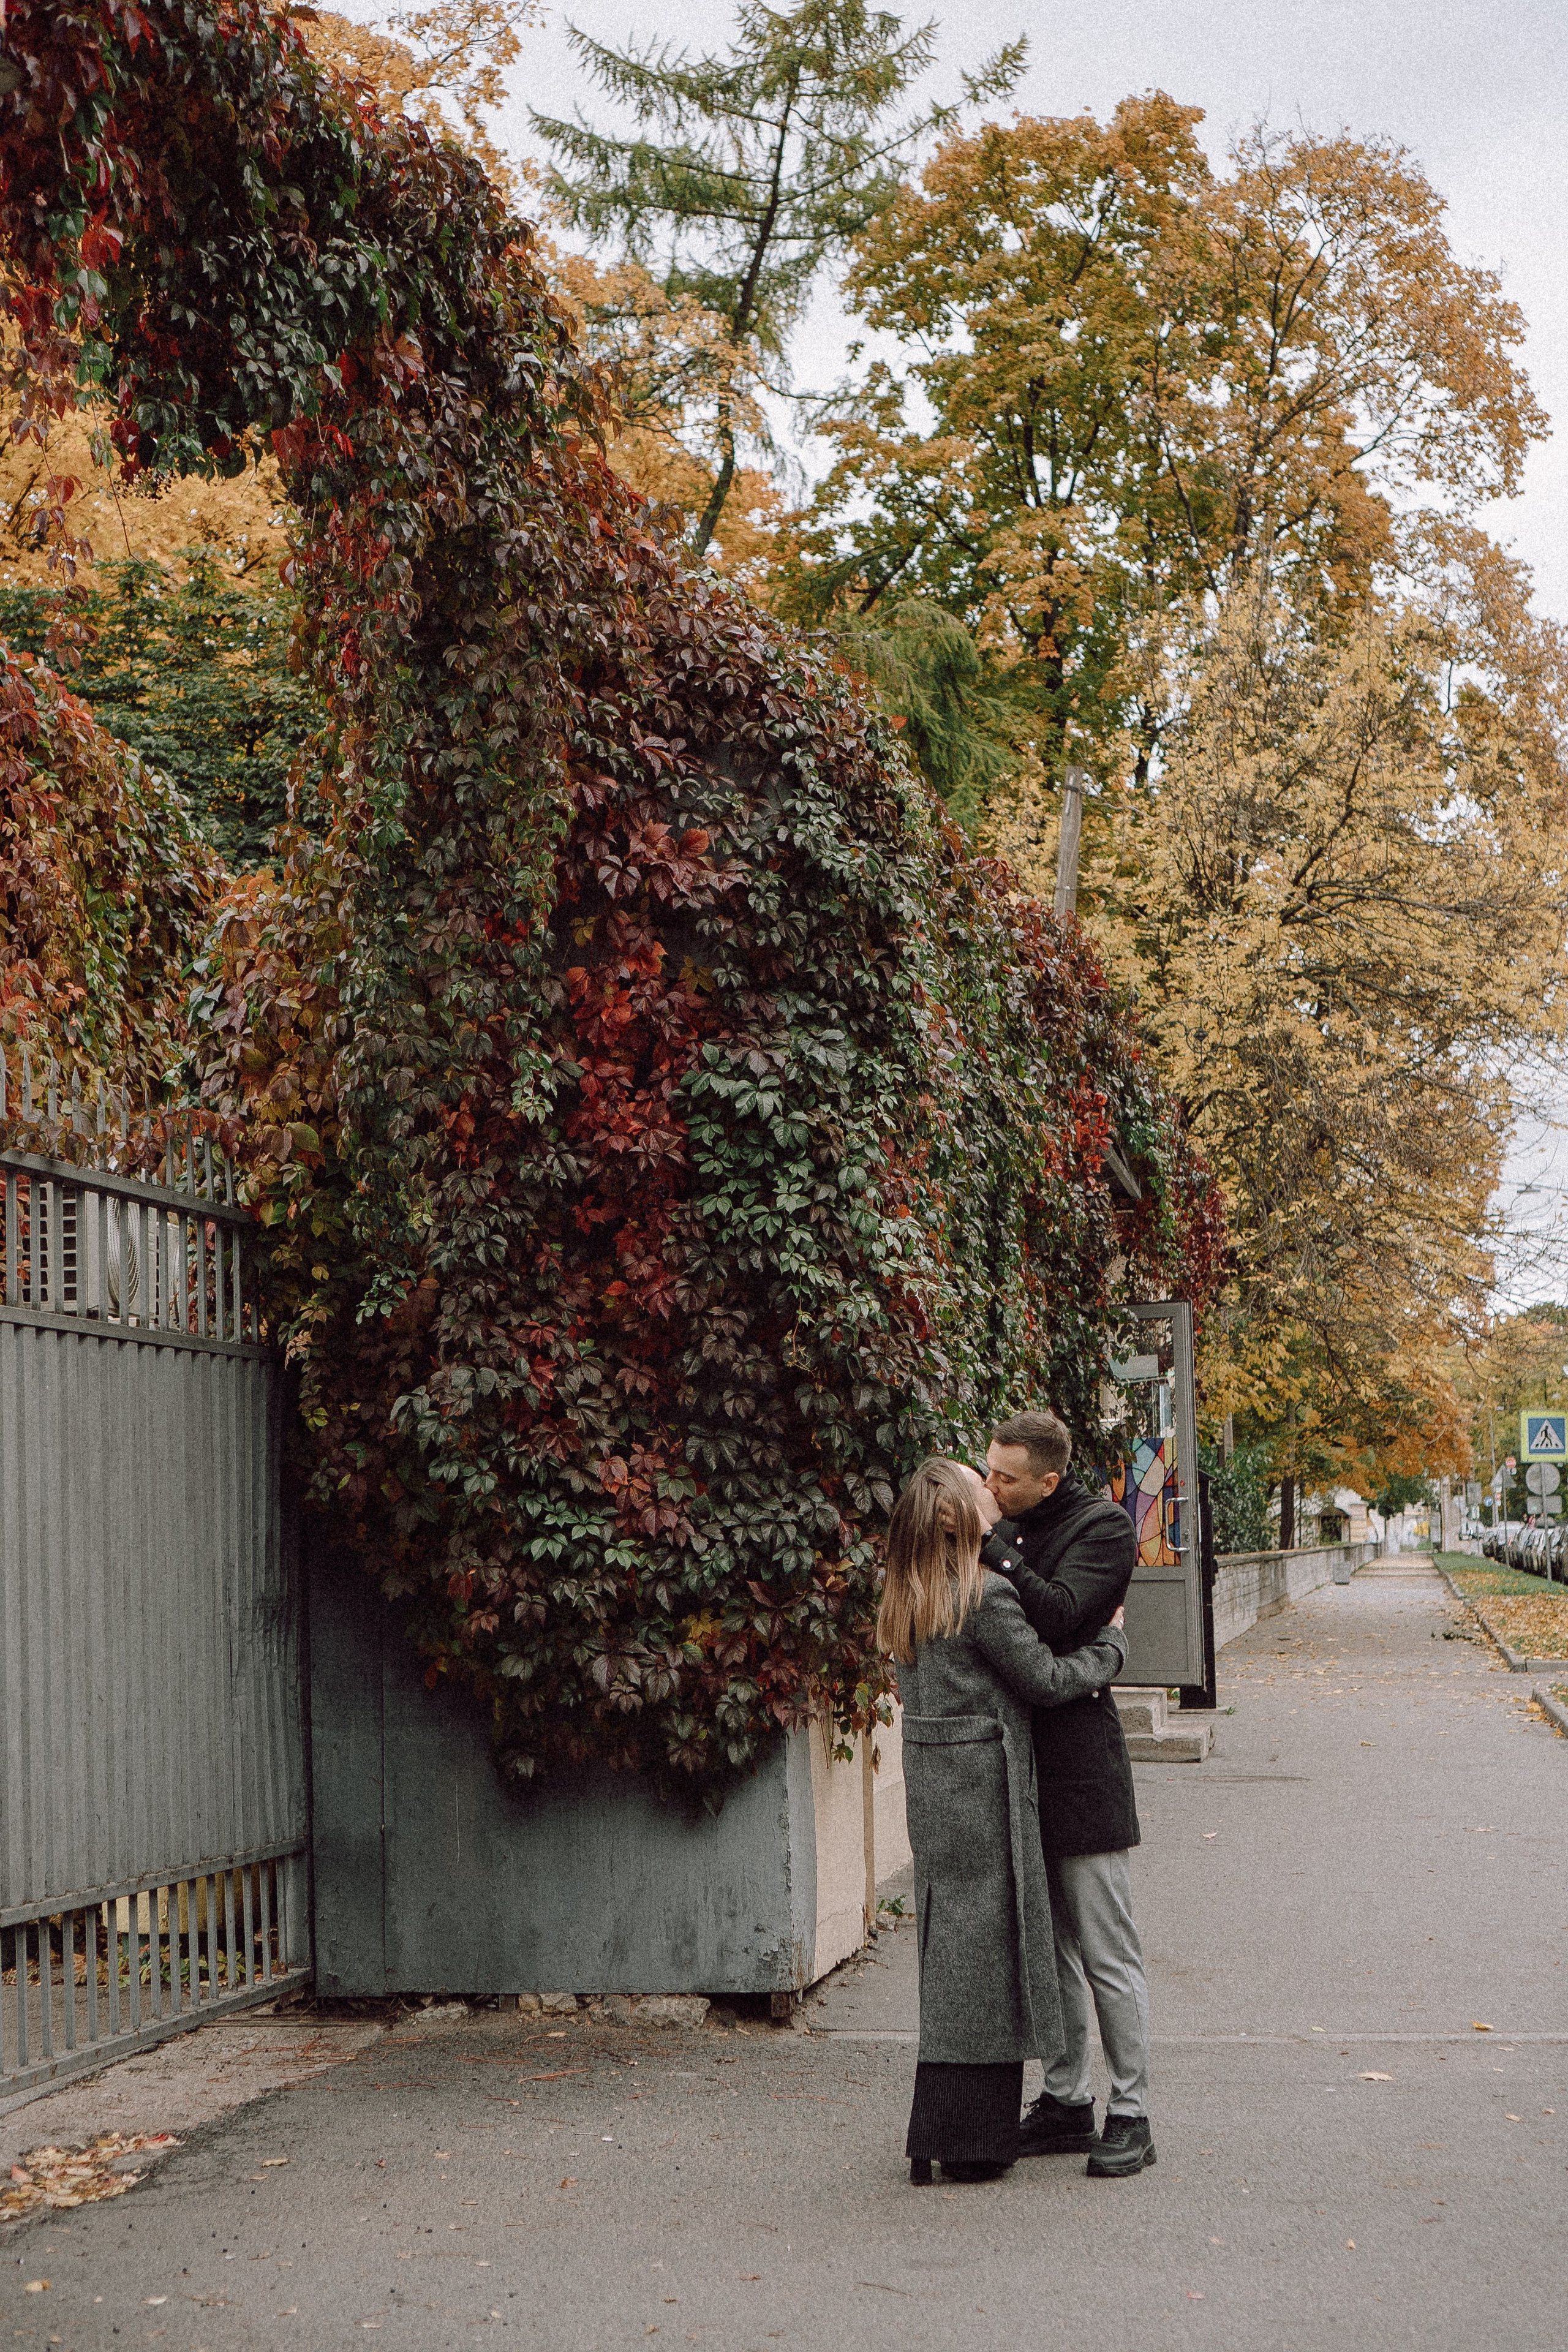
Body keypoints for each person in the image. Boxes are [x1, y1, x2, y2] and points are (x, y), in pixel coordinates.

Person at [880, 1455, 1128, 2186]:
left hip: (936, 1787)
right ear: (959, 1515)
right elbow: (1047, 1681)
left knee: (951, 1942)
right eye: (977, 1483)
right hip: (987, 1785)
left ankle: (947, 2127)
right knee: (993, 1947)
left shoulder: (906, 1592)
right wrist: (1110, 1647)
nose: (991, 1490)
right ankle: (971, 2136)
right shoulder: (984, 1595)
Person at [980, 1407, 1155, 2177]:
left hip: (1082, 1764)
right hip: (1016, 1767)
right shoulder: (1011, 1521)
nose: (989, 1486)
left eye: (1004, 1479)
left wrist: (988, 1552)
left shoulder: (1104, 1528)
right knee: (1047, 1952)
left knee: (1106, 1951)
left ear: (1047, 1480)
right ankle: (1063, 2101)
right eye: (987, 1471)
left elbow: (1059, 1617)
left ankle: (1132, 2113)